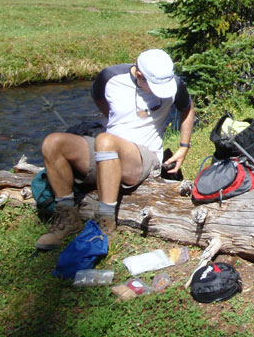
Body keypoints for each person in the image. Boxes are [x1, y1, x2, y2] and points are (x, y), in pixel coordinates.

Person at [35, 48, 195, 250]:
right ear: (138, 74)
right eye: (153, 85)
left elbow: (187, 108)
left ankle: (106, 224)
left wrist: (184, 146)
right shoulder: (110, 76)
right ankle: (67, 217)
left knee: (106, 141)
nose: (157, 91)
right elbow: (99, 97)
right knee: (53, 142)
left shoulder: (174, 84)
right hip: (106, 148)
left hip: (144, 157)